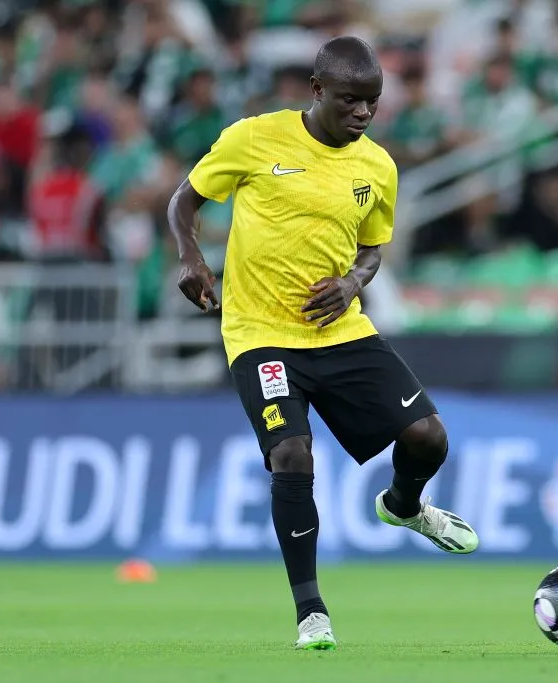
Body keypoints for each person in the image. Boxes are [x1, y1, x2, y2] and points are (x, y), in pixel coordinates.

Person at [166, 36, 479, 651]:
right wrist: (190, 259)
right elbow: (185, 200)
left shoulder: (378, 167)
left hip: (338, 330)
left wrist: (353, 282)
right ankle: (312, 612)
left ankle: (405, 504)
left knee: (429, 438)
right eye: (351, 100)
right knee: (292, 455)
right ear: (316, 91)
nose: (363, 113)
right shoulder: (254, 138)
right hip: (260, 333)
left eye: (373, 102)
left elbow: (374, 247)